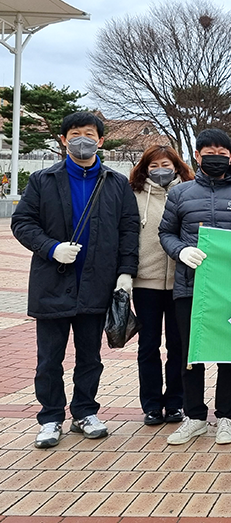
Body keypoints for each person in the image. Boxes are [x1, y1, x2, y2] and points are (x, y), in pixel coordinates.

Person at [11, 111, 139, 448]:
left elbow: (128, 230)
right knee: (49, 358)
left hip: (97, 283)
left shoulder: (115, 183)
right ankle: (51, 417)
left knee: (90, 357)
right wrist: (51, 248)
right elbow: (22, 223)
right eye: (75, 133)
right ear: (64, 140)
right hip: (53, 282)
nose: (83, 139)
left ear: (100, 140)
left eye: (89, 133)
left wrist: (126, 272)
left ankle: (84, 411)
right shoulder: (43, 180)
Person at [159, 128, 231, 446]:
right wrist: (180, 251)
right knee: (192, 354)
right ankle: (195, 417)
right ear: (198, 156)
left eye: (222, 151)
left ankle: (226, 417)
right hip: (190, 288)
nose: (215, 156)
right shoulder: (180, 193)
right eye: (208, 151)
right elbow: (166, 233)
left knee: (228, 353)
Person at [129, 145, 194, 426]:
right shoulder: (134, 193)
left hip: (181, 282)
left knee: (178, 346)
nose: (159, 170)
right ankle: (152, 404)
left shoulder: (189, 191)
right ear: (145, 168)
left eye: (165, 164)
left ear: (176, 166)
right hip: (146, 282)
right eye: (153, 166)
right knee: (148, 345)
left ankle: (176, 402)